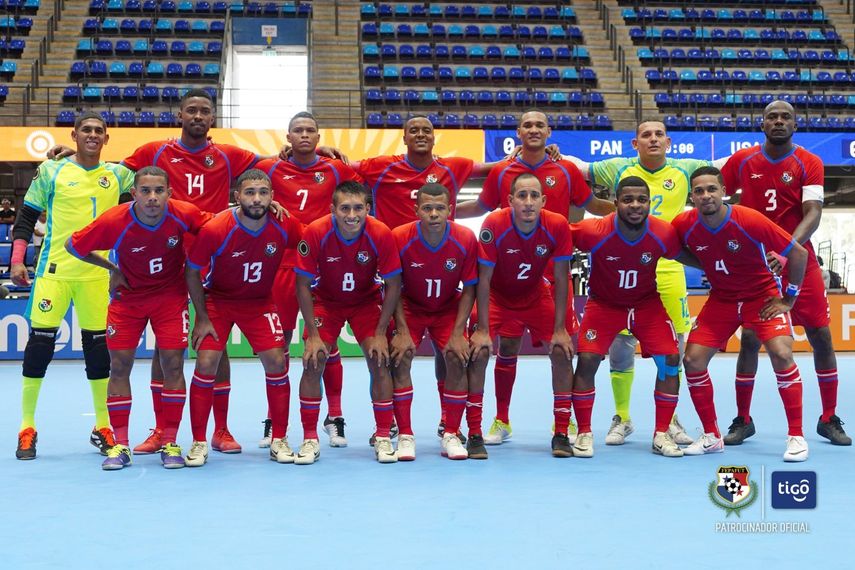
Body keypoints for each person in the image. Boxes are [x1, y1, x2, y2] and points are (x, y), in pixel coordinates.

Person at [52, 89, 265, 454]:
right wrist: (76, 156)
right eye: (191, 110)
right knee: (166, 353)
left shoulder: (228, 155)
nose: (197, 116)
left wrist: (317, 153)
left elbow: (275, 166)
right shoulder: (155, 151)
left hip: (211, 261)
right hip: (165, 264)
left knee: (214, 346)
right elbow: (111, 172)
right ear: (179, 115)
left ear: (212, 118)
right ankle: (161, 432)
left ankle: (221, 430)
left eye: (204, 111)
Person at [457, 109, 613, 446]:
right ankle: (501, 419)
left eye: (539, 125)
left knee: (562, 347)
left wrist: (625, 213)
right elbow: (481, 207)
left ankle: (565, 423)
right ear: (518, 131)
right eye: (527, 125)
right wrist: (442, 212)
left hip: (552, 278)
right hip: (509, 276)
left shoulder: (566, 168)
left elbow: (592, 204)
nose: (533, 129)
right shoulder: (502, 170)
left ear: (549, 131)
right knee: (506, 346)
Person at [563, 119, 719, 447]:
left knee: (673, 351)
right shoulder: (617, 168)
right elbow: (579, 168)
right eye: (646, 135)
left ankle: (669, 421)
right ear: (635, 143)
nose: (653, 139)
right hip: (619, 272)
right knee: (620, 349)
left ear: (668, 141)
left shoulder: (685, 168)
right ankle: (622, 417)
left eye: (659, 134)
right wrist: (553, 155)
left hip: (669, 268)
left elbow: (722, 168)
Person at [351, 114, 500, 439]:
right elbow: (340, 170)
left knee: (452, 353)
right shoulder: (382, 166)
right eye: (414, 130)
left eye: (426, 130)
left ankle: (449, 421)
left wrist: (522, 155)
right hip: (399, 280)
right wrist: (323, 151)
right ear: (403, 137)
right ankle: (391, 422)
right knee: (389, 355)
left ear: (434, 137)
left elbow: (494, 169)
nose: (420, 134)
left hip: (441, 279)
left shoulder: (453, 167)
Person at [720, 100, 850, 446]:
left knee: (821, 335)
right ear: (762, 124)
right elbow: (716, 198)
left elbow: (814, 213)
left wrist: (786, 249)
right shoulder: (742, 160)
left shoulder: (809, 161)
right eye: (772, 117)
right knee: (751, 338)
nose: (778, 121)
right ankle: (743, 419)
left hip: (799, 259)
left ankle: (828, 417)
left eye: (785, 117)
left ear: (796, 124)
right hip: (754, 263)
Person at [66, 166, 209, 470]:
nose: (152, 197)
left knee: (173, 365)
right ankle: (120, 445)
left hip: (170, 298)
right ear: (134, 194)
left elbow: (221, 226)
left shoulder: (184, 213)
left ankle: (170, 441)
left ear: (170, 193)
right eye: (145, 191)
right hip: (127, 299)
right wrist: (112, 269)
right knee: (119, 366)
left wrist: (268, 207)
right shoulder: (114, 220)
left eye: (159, 191)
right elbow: (72, 246)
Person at [10, 111, 134, 460]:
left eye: (99, 131)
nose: (92, 135)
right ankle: (27, 427)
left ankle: (102, 425)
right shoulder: (51, 170)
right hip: (54, 272)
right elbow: (26, 217)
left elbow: (152, 188)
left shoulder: (119, 175)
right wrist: (17, 259)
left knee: (98, 351)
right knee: (40, 347)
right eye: (86, 130)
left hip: (97, 276)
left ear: (106, 138)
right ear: (74, 135)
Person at [673, 166, 810, 462]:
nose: (706, 195)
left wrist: (789, 299)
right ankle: (711, 436)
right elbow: (671, 249)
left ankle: (797, 436)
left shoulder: (749, 219)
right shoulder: (683, 224)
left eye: (712, 189)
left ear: (724, 192)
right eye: (699, 191)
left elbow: (799, 253)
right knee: (692, 360)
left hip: (761, 296)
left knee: (782, 354)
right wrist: (706, 262)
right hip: (722, 299)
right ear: (692, 196)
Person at [255, 111, 362, 449]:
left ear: (319, 137)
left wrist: (329, 152)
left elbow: (361, 190)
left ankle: (335, 416)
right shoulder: (270, 168)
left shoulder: (335, 169)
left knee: (327, 342)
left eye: (310, 131)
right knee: (280, 344)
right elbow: (248, 186)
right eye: (298, 131)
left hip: (326, 264)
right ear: (288, 137)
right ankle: (275, 420)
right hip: (283, 264)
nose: (304, 135)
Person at [570, 176, 697, 458]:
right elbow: (554, 237)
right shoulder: (594, 230)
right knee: (587, 360)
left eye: (642, 200)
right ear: (615, 203)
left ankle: (661, 433)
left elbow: (688, 256)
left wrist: (726, 265)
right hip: (604, 306)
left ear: (650, 203)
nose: (635, 205)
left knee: (671, 360)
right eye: (628, 200)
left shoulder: (662, 232)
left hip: (646, 306)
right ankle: (584, 432)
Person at [184, 169, 302, 466]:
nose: (257, 199)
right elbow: (192, 271)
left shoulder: (284, 224)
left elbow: (312, 242)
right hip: (218, 302)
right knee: (206, 362)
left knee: (277, 361)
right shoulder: (216, 228)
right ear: (237, 196)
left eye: (263, 192)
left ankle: (279, 439)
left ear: (273, 196)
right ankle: (199, 441)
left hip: (259, 303)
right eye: (250, 192)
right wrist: (201, 317)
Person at [294, 181, 402, 464]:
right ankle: (309, 439)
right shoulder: (316, 231)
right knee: (314, 360)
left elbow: (393, 284)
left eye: (357, 208)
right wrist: (313, 335)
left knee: (379, 359)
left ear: (367, 208)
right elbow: (302, 284)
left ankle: (382, 435)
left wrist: (381, 331)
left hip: (366, 302)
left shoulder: (380, 233)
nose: (351, 215)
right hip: (326, 302)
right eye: (344, 208)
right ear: (333, 209)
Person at [469, 173, 576, 457]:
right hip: (497, 297)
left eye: (534, 196)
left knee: (562, 351)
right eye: (522, 196)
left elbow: (562, 278)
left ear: (543, 200)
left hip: (535, 296)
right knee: (479, 352)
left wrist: (560, 329)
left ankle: (562, 430)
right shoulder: (494, 224)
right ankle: (477, 432)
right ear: (510, 200)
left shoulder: (557, 225)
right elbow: (483, 278)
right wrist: (482, 329)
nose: (528, 202)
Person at [389, 183, 479, 460]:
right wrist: (401, 330)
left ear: (450, 210)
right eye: (427, 208)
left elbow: (470, 288)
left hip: (448, 307)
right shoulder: (399, 237)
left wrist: (458, 333)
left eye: (440, 208)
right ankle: (405, 435)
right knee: (400, 356)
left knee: (456, 356)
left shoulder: (465, 238)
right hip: (410, 307)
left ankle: (451, 432)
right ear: (416, 210)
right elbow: (392, 286)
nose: (433, 214)